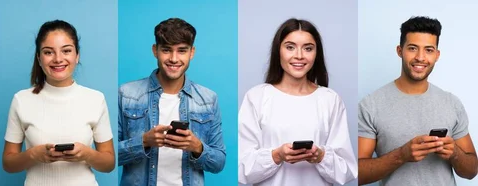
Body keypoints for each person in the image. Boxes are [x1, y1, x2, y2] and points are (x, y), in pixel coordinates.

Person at [358, 16, 478, 186]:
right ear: (400, 51)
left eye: (429, 50)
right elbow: (358, 175)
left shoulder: (452, 103)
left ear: (437, 55)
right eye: (413, 48)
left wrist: (455, 154)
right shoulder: (370, 105)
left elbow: (472, 171)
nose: (420, 57)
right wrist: (402, 155)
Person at [238, 18, 357, 186]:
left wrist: (320, 156)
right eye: (290, 47)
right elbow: (241, 168)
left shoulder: (330, 100)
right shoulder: (256, 97)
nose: (299, 55)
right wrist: (276, 155)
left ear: (317, 53)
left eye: (308, 48)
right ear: (278, 51)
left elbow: (347, 170)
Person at [2, 20, 115, 186]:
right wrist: (33, 155)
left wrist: (86, 154)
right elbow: (8, 164)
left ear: (77, 55)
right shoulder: (21, 100)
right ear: (39, 58)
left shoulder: (96, 99)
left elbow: (109, 163)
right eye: (48, 52)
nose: (58, 59)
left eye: (66, 51)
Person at [118, 17, 226, 186]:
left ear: (192, 52)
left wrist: (197, 147)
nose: (174, 59)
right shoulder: (126, 94)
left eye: (182, 50)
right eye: (166, 50)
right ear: (155, 50)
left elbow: (219, 162)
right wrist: (144, 142)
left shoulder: (208, 99)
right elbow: (108, 157)